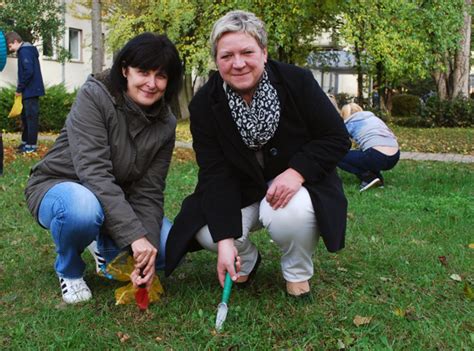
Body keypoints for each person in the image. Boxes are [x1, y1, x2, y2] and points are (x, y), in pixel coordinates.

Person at [165, 10, 351, 298]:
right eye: (226, 56)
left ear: (263, 53)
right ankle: (246, 261)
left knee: (293, 214)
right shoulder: (204, 104)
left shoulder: (296, 81)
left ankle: (297, 272)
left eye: (247, 52)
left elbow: (336, 137)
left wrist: (297, 172)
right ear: (216, 59)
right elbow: (215, 172)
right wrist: (226, 240)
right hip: (242, 190)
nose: (237, 64)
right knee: (207, 231)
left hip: (294, 186)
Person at [24, 33, 182, 304]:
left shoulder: (166, 123)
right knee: (83, 209)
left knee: (166, 248)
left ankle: (104, 246)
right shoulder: (95, 96)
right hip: (61, 187)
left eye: (161, 76)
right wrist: (135, 237)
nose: (151, 83)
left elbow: (149, 191)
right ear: (125, 70)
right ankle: (70, 270)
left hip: (117, 199)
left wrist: (146, 252)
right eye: (143, 72)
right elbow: (94, 173)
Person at [337, 102, 400, 192]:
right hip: (394, 156)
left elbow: (342, 143)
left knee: (337, 156)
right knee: (364, 156)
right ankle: (377, 180)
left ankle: (368, 178)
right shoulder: (374, 118)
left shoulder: (349, 123)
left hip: (376, 155)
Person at [5, 32, 45, 153]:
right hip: (29, 90)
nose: (10, 49)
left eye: (10, 46)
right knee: (25, 118)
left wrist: (19, 89)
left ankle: (31, 146)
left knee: (31, 118)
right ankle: (25, 142)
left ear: (16, 42)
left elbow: (28, 72)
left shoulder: (25, 51)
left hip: (31, 90)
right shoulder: (24, 51)